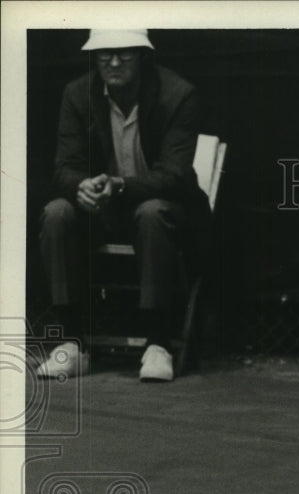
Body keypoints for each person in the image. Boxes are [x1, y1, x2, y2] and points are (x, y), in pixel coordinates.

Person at [36, 28, 211, 382]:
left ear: (143, 55)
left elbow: (175, 175)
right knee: (56, 213)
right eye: (104, 53)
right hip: (102, 210)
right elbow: (64, 167)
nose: (114, 62)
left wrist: (118, 186)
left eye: (125, 53)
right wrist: (80, 186)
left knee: (151, 213)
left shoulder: (178, 95)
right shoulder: (77, 93)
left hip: (166, 212)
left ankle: (157, 343)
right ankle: (73, 345)